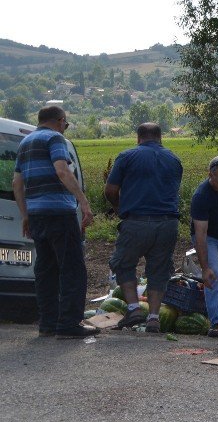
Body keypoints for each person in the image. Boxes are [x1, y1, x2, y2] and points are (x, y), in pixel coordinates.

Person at [12, 106, 96, 338]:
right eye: (65, 125)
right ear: (60, 121)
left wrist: (26, 215)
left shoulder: (25, 143)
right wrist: (84, 203)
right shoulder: (55, 138)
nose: (64, 128)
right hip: (59, 212)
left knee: (46, 269)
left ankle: (48, 324)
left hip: (37, 215)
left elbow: (16, 184)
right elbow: (62, 171)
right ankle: (69, 324)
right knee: (72, 268)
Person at [105, 122, 183, 334]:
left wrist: (118, 207)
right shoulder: (174, 159)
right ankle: (154, 318)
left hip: (136, 221)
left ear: (138, 138)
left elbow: (110, 190)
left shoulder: (127, 156)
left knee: (122, 263)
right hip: (168, 223)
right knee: (159, 269)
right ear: (161, 137)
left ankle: (133, 309)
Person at [191, 155, 218, 338]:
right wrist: (204, 268)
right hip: (209, 238)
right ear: (211, 175)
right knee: (215, 273)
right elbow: (200, 234)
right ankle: (217, 323)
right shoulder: (201, 196)